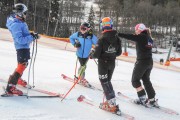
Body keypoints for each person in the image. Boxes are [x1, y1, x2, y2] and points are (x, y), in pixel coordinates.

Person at [117, 23, 159, 107]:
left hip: (142, 62)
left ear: (139, 30)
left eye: (136, 30)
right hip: (149, 62)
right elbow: (136, 38)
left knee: (135, 81)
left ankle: (142, 98)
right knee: (146, 80)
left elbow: (130, 36)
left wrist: (118, 34)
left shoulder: (141, 37)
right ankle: (152, 99)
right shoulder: (148, 37)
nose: (135, 32)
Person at [5, 3, 39, 95]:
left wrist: (31, 35)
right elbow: (20, 40)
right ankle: (11, 86)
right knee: (22, 65)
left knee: (23, 64)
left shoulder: (20, 22)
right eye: (25, 12)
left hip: (24, 46)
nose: (26, 14)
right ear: (20, 13)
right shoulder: (16, 24)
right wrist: (32, 38)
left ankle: (17, 79)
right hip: (21, 47)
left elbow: (23, 34)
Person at [90, 17, 122, 113]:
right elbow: (119, 52)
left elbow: (96, 54)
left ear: (102, 26)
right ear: (111, 25)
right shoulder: (117, 38)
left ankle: (111, 104)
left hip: (103, 64)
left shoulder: (102, 39)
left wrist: (92, 54)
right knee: (107, 81)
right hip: (112, 63)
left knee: (104, 82)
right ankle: (112, 101)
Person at [69, 22, 98, 87]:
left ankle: (80, 77)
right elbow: (71, 38)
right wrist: (75, 44)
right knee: (83, 66)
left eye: (84, 28)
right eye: (81, 28)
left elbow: (98, 44)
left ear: (88, 29)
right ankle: (81, 78)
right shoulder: (78, 34)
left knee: (83, 66)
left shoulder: (91, 36)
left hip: (87, 55)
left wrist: (94, 50)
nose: (82, 30)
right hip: (79, 54)